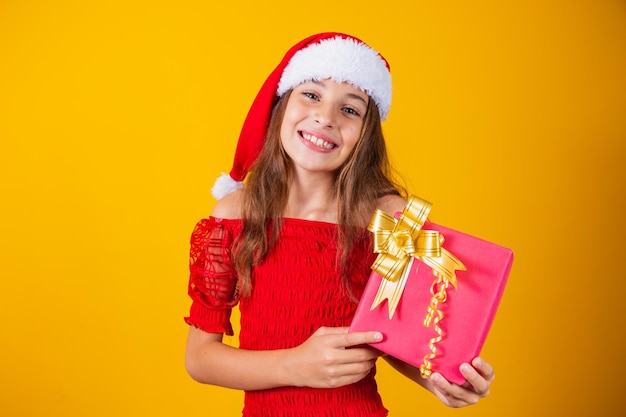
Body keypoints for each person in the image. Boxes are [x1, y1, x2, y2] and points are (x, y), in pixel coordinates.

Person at [184, 32, 495, 416]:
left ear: (366, 134)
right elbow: (199, 359)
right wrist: (295, 365)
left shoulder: (389, 218)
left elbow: (393, 336)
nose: (325, 118)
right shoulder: (234, 216)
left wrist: (439, 378)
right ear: (282, 104)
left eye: (350, 110)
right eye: (311, 95)